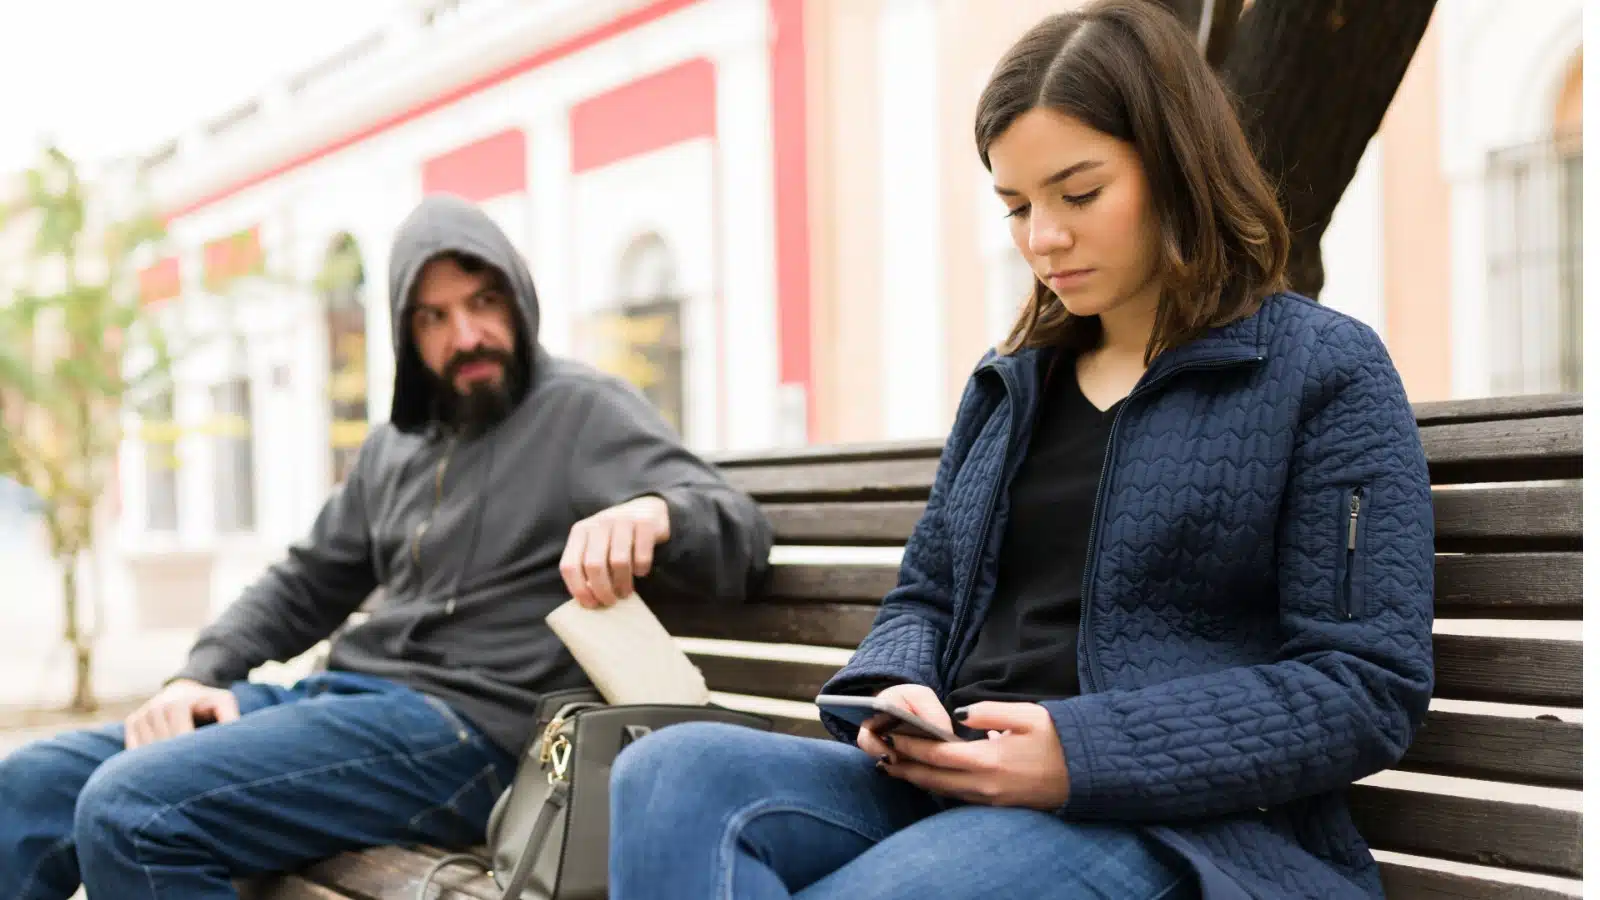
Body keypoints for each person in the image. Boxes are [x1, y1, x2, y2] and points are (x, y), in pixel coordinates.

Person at [606, 2, 1434, 898]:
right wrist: (896, 687)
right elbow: (928, 594)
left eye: (1079, 194)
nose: (1043, 238)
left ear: (1177, 166)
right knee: (668, 777)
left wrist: (1081, 755)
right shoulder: (1014, 382)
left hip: (1181, 830)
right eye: (1016, 206)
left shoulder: (1320, 370)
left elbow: (1363, 684)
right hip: (951, 780)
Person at [0, 194, 773, 899]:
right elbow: (305, 582)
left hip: (473, 732)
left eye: (482, 301)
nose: (465, 335)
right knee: (30, 789)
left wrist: (656, 512)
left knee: (134, 810)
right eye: (433, 317)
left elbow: (733, 526)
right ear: (406, 332)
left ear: (518, 297)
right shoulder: (396, 444)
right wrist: (198, 673)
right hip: (346, 706)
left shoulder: (581, 411)